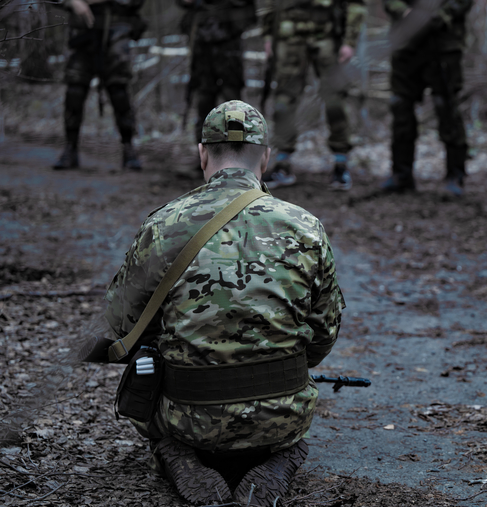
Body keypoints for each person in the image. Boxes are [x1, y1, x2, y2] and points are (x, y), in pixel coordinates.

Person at [104, 100, 345, 504]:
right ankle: (281, 456)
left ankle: (174, 452)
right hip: (280, 415)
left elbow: (120, 323)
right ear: (265, 157)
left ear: (202, 153)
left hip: (188, 416)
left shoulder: (163, 225)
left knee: (143, 372)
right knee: (283, 426)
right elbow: (322, 337)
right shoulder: (306, 227)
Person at [260, 0, 367, 191]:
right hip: (289, 37)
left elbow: (355, 4)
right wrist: (269, 35)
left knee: (334, 98)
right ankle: (282, 162)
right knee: (284, 100)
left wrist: (350, 41)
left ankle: (340, 163)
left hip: (326, 35)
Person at [379, 0, 473, 197]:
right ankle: (401, 175)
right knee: (401, 106)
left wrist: (438, 16)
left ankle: (455, 176)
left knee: (446, 108)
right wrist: (405, 13)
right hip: (406, 43)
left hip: (443, 43)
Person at [53, 0, 145, 171]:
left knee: (119, 90)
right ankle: (70, 148)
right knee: (75, 89)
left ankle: (129, 148)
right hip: (82, 30)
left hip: (116, 28)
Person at [177, 0, 257, 146]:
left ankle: (236, 147)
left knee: (232, 98)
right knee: (204, 99)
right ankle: (207, 151)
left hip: (229, 37)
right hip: (202, 39)